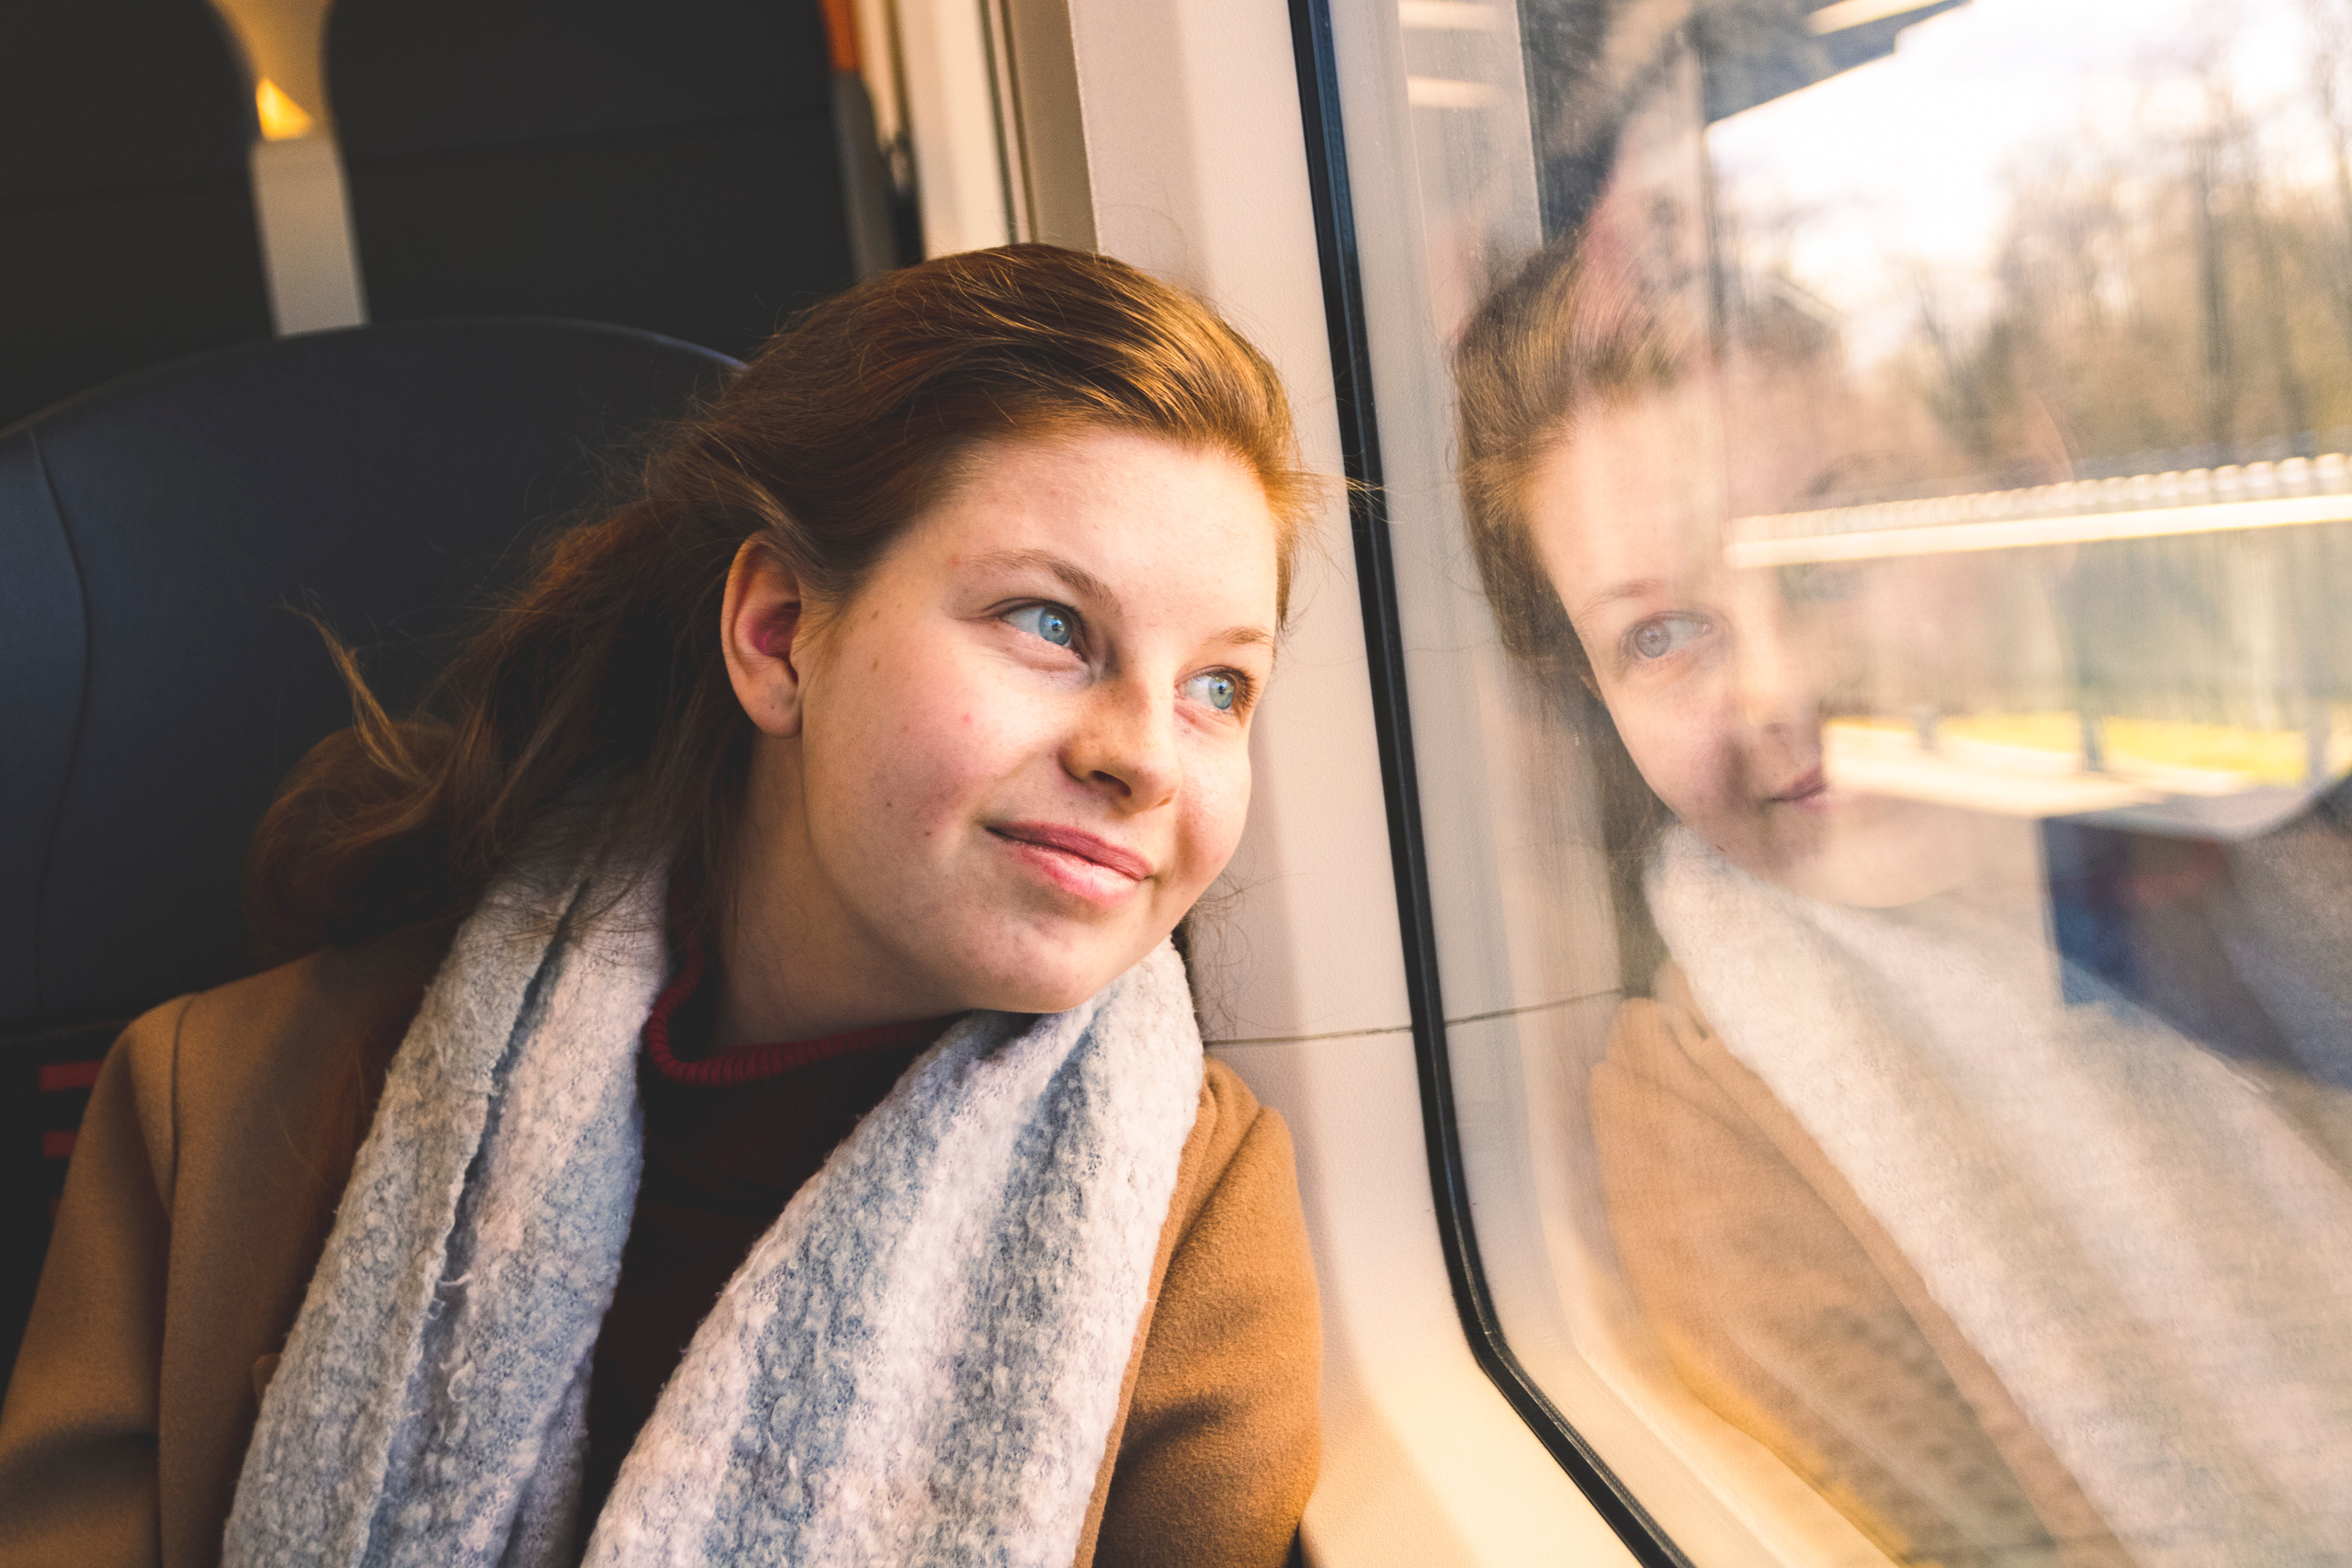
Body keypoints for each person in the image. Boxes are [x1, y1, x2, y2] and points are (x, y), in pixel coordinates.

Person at [0, 245, 1323, 1568]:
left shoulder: (1194, 1218)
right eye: (1049, 623)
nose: (1146, 755)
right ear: (778, 631)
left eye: (1220, 687)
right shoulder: (212, 1106)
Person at [1453, 228, 2352, 1566]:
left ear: (2023, 488)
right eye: (1661, 633)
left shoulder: (2280, 848)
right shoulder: (1708, 1124)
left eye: (1828, 556)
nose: (1781, 692)